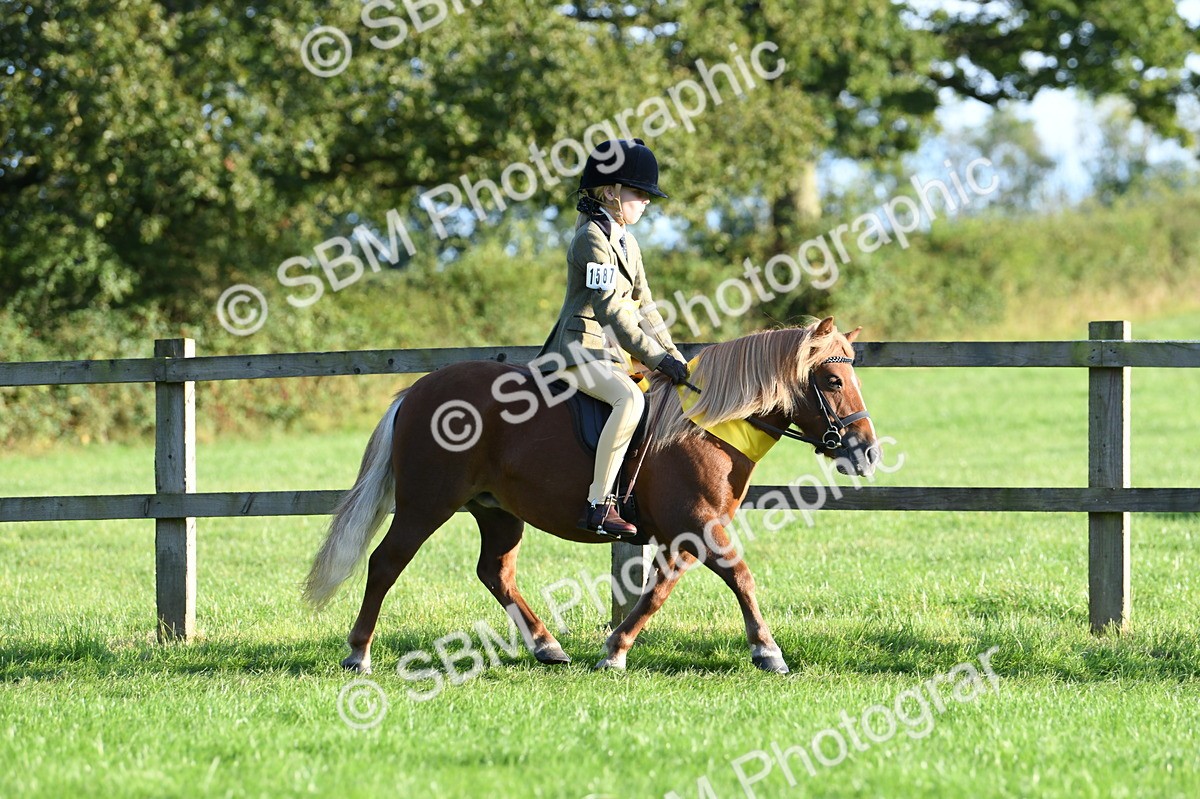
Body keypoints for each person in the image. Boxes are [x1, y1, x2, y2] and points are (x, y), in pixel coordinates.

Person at [536, 138, 690, 539]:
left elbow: (645, 306)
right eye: (639, 193)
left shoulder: (627, 241)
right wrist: (656, 359)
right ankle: (598, 504)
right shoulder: (590, 238)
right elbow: (611, 310)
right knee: (630, 399)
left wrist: (674, 356)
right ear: (610, 193)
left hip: (609, 355)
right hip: (578, 351)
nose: (647, 201)